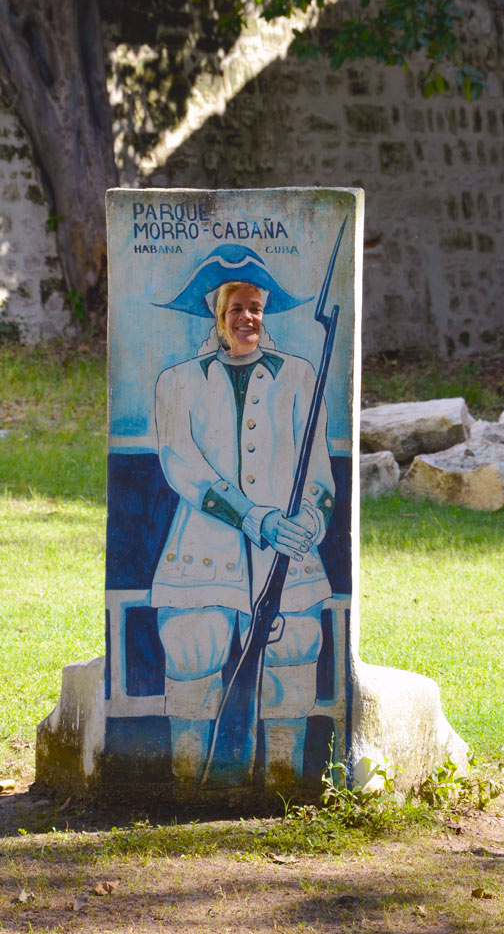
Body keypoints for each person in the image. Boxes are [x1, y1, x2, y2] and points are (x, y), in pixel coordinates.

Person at [150, 244, 336, 793]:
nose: (248, 318)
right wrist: (256, 518)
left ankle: (283, 786)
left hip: (287, 554)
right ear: (217, 315)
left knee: (293, 648)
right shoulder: (178, 382)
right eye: (237, 308)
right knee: (192, 646)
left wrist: (309, 523)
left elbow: (320, 474)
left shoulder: (299, 376)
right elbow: (180, 462)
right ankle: (190, 785)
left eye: (256, 307)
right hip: (202, 548)